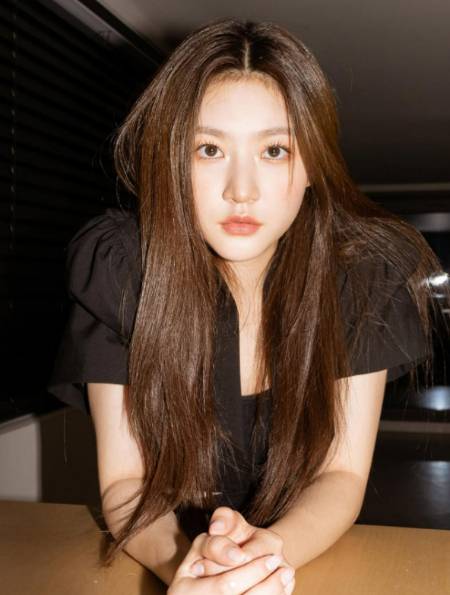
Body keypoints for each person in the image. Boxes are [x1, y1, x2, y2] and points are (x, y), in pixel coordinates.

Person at [46, 17, 448, 594]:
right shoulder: (121, 271)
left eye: (274, 150)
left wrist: (266, 556)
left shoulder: (358, 280)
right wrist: (187, 567)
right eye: (209, 149)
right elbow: (126, 483)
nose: (242, 190)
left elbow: (340, 473)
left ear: (312, 165)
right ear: (172, 162)